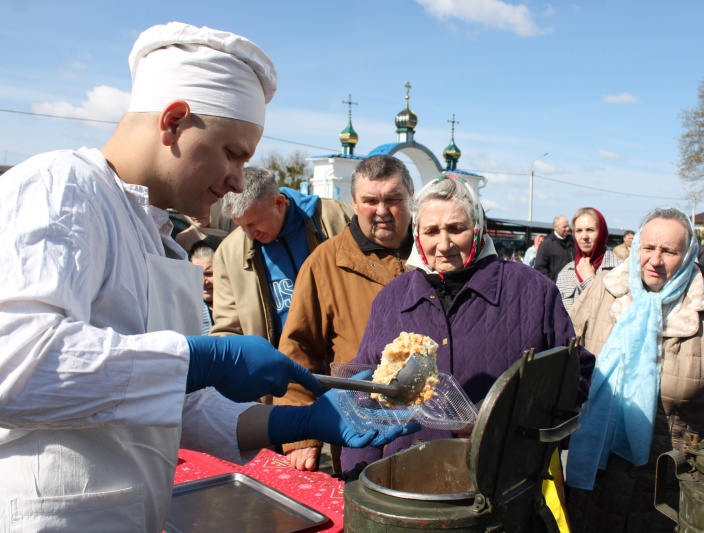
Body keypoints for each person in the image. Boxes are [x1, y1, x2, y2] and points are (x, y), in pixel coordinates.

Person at [0, 22, 417, 531]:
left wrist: (294, 422)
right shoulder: (61, 187)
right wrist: (201, 358)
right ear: (173, 121)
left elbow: (181, 403)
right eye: (233, 153)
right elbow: (15, 364)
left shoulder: (158, 239)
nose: (238, 180)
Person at [341, 174, 596, 530]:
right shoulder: (393, 299)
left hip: (500, 495)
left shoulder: (531, 292)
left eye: (455, 228)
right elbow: (364, 395)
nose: (443, 244)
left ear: (477, 228)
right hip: (408, 496)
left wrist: (496, 422)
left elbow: (574, 377)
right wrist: (356, 479)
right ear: (417, 234)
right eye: (431, 231)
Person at [565, 207, 704, 533]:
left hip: (669, 483)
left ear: (688, 255)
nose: (654, 260)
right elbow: (568, 362)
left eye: (669, 251)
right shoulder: (604, 291)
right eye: (648, 248)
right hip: (597, 477)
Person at [274, 154, 415, 472]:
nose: (382, 211)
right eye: (370, 201)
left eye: (393, 199)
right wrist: (301, 435)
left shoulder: (434, 253)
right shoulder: (325, 263)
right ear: (353, 202)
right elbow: (298, 352)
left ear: (410, 198)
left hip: (431, 428)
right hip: (361, 432)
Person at [211, 166, 351, 345]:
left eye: (253, 224)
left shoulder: (338, 217)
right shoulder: (228, 254)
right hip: (280, 369)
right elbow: (228, 331)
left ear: (279, 202)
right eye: (241, 226)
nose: (250, 235)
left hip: (348, 365)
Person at [555, 207, 622, 310]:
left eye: (590, 230)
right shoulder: (566, 272)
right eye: (579, 231)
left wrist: (589, 281)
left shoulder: (618, 269)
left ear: (601, 233)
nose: (584, 236)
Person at [534, 215, 575, 281]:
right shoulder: (546, 245)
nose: (567, 229)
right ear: (555, 227)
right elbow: (540, 268)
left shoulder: (573, 243)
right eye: (564, 227)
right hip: (555, 286)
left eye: (568, 226)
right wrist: (552, 282)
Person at [189, 240, 217, 335]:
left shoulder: (237, 308)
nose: (203, 281)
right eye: (196, 273)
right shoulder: (185, 310)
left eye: (209, 274)